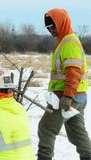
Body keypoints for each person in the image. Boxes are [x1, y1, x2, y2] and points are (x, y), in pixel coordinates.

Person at [37, 8, 91, 160]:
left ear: (61, 23)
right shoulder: (65, 41)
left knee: (46, 129)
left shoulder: (68, 42)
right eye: (48, 28)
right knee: (77, 134)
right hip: (77, 96)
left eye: (53, 26)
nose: (50, 30)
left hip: (67, 96)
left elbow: (74, 72)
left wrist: (67, 97)